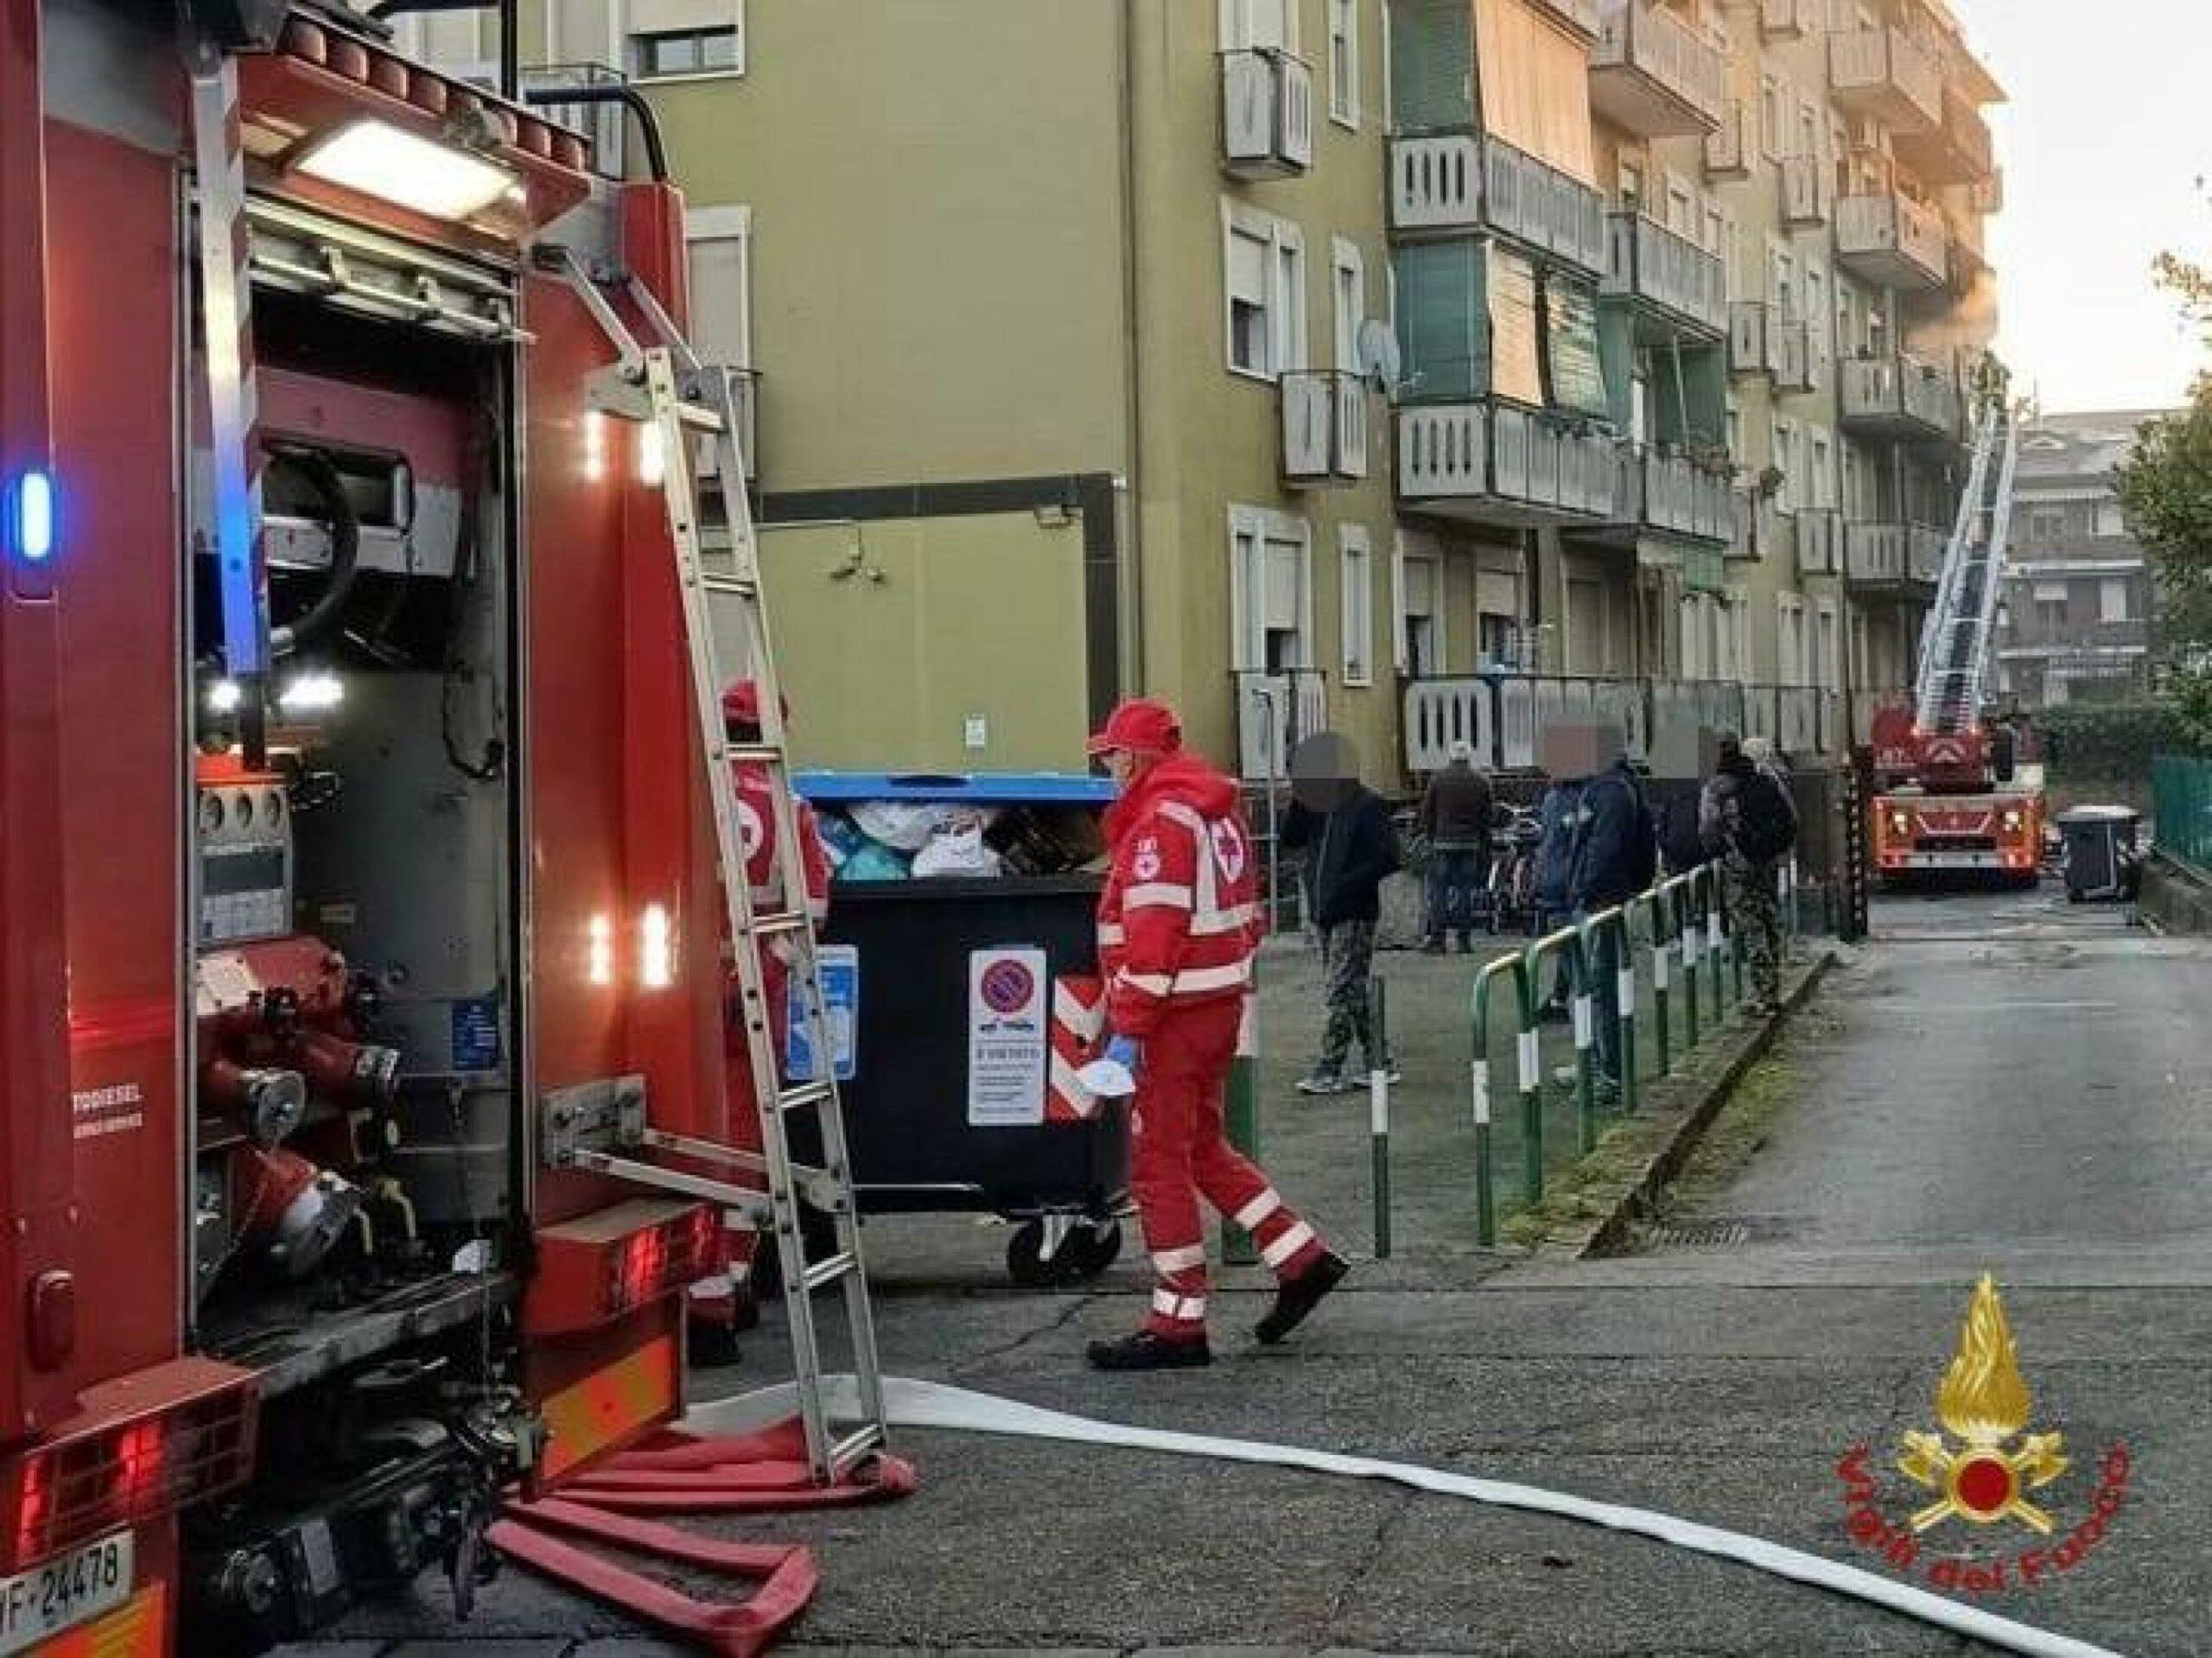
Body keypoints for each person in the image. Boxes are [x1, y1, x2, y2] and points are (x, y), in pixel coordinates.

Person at [1084, 698, 1348, 1370]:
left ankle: (1177, 1321)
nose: (1108, 767)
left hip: (1171, 1017)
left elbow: (1153, 933)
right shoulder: (1214, 810)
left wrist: (1129, 1028)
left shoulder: (1158, 822)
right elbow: (1247, 911)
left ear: (1138, 755)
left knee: (1157, 1163)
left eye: (1112, 754)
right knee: (1203, 1146)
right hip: (1217, 1004)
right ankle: (1300, 1256)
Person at [686, 677, 833, 1366]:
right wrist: (763, 967)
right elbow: (811, 909)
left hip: (678, 993)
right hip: (751, 996)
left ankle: (700, 1293)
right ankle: (734, 1283)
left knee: (686, 1139)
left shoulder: (690, 788)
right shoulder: (791, 806)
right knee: (747, 1142)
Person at [1281, 759, 1402, 1095]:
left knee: (1340, 987)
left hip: (1354, 910)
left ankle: (1330, 1066)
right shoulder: (1317, 807)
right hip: (1325, 909)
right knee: (1352, 988)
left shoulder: (1367, 804)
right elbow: (1291, 837)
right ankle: (1380, 1058)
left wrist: (1346, 884)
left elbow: (1389, 856)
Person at [1567, 744, 1657, 1103]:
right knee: (1593, 986)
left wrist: (1584, 891)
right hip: (1608, 896)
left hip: (1600, 901)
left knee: (1599, 987)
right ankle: (1593, 1062)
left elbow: (1602, 849)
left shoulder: (1608, 792)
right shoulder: (1622, 787)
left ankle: (1608, 1073)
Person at [1700, 730, 1798, 1018]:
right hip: (1766, 859)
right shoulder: (1762, 779)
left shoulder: (1716, 788)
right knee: (1768, 919)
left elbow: (1707, 830)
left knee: (1751, 925)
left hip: (1737, 864)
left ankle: (1764, 994)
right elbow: (1791, 818)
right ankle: (1773, 987)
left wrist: (1722, 852)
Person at [1418, 740, 1494, 954]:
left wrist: (1431, 836)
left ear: (1450, 757)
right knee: (1464, 893)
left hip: (1442, 844)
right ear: (1469, 757)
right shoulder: (1480, 781)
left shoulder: (1438, 779)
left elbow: (1427, 813)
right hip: (1470, 844)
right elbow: (1488, 817)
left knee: (1438, 893)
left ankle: (1438, 939)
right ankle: (1463, 940)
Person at [1531, 774, 1583, 1019]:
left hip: (1558, 881)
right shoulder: (1582, 799)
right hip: (1569, 879)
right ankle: (1561, 998)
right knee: (1570, 944)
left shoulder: (1554, 800)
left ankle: (1572, 1000)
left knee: (1568, 945)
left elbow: (1550, 843)